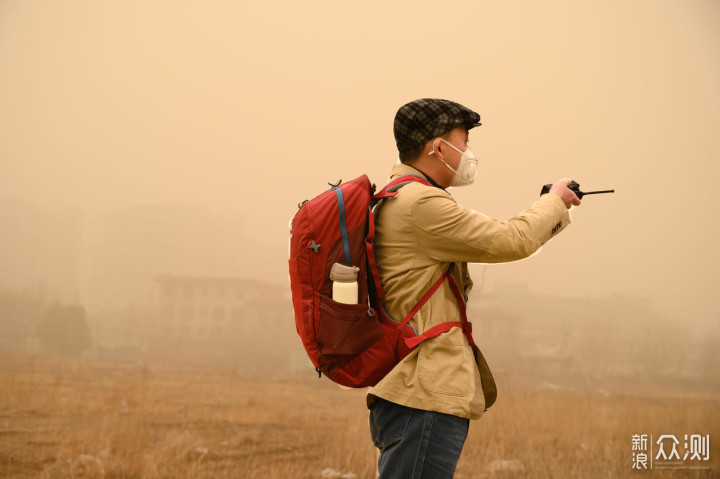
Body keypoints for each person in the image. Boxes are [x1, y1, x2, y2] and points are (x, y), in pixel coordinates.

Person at [367, 98, 581, 478]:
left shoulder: (397, 197)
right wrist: (554, 202)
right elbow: (509, 240)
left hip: (413, 392)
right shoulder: (420, 203)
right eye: (463, 141)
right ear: (438, 147)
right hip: (425, 395)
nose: (468, 152)